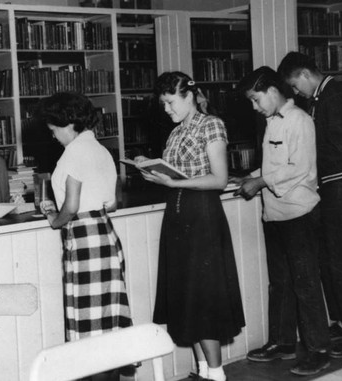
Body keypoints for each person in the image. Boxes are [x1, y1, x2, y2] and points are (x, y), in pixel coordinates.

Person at [136, 71, 244, 381]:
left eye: (170, 102)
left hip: (202, 216)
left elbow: (219, 179)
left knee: (203, 298)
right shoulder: (176, 131)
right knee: (187, 298)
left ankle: (216, 372)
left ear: (189, 96)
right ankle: (201, 371)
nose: (166, 109)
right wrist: (152, 166)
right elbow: (177, 172)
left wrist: (170, 180)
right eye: (163, 104)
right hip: (178, 216)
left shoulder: (211, 125)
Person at [234, 66, 330, 376]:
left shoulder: (299, 120)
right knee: (281, 284)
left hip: (299, 214)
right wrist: (246, 178)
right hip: (275, 214)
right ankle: (283, 343)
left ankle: (319, 350)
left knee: (305, 285)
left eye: (256, 99)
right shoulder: (271, 122)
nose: (254, 106)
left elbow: (298, 168)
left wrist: (260, 183)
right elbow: (272, 166)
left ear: (273, 91)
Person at [36, 92, 133, 376]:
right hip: (105, 233)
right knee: (109, 319)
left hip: (84, 238)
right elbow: (111, 203)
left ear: (67, 124)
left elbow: (73, 205)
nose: (53, 137)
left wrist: (54, 219)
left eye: (53, 130)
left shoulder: (75, 152)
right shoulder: (102, 150)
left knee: (87, 321)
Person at [278, 51, 342, 358]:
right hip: (329, 187)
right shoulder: (321, 97)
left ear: (303, 75)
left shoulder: (334, 95)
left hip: (339, 186)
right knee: (332, 255)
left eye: (294, 85)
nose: (295, 92)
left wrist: (309, 162)